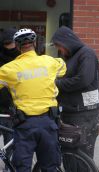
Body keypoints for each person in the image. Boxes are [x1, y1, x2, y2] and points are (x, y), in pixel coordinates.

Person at [0, 28, 66, 172]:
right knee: (50, 167)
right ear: (35, 43)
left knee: (22, 167)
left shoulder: (8, 69)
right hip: (48, 123)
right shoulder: (49, 62)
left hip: (25, 125)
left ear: (17, 46)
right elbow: (63, 67)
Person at [51, 26, 99, 159]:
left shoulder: (86, 54)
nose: (59, 50)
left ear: (66, 42)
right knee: (70, 156)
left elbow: (84, 79)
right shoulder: (70, 57)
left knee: (82, 155)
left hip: (84, 114)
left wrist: (57, 83)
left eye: (59, 46)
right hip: (72, 112)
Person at [0, 28, 20, 172]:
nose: (10, 46)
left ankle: (9, 169)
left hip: (11, 109)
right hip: (8, 108)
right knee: (10, 144)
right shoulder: (20, 57)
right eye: (7, 43)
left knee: (11, 145)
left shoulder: (21, 58)